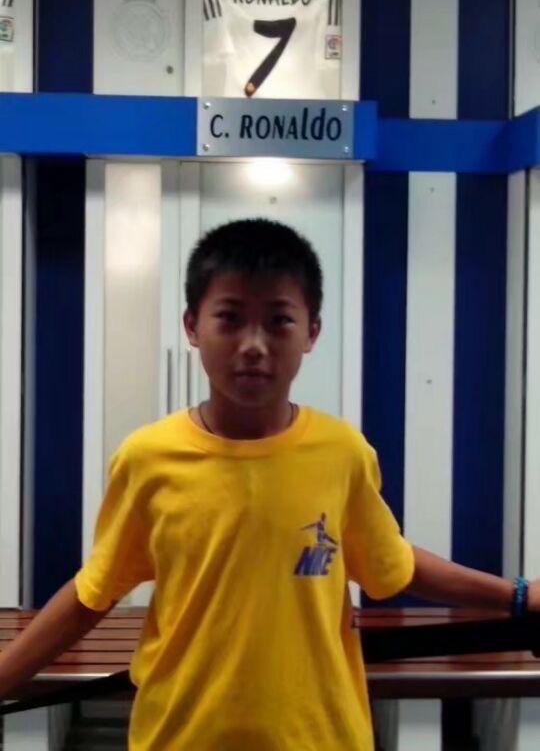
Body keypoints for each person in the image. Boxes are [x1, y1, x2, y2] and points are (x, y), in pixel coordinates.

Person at [0, 217, 537, 750]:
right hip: (182, 738)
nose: (254, 344)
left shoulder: (342, 453)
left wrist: (516, 595)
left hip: (321, 738)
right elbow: (92, 593)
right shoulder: (147, 459)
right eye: (230, 318)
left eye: (279, 321)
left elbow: (393, 563)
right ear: (192, 326)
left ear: (312, 332)